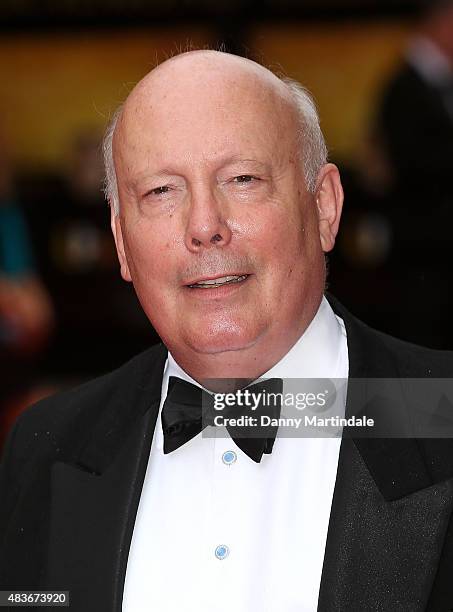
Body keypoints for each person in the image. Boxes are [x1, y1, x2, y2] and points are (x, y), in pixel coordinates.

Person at [1, 50, 453, 612]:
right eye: (162, 192)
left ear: (325, 207)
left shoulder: (441, 416)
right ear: (121, 241)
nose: (204, 226)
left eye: (241, 179)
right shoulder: (48, 447)